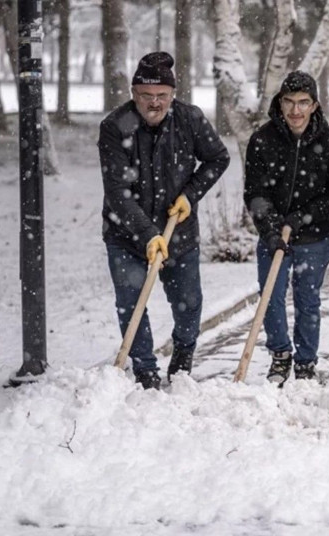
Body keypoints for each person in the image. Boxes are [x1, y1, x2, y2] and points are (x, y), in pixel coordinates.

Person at [98, 51, 230, 389]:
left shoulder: (189, 119)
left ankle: (183, 359)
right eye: (146, 96)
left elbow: (218, 158)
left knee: (188, 305)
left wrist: (190, 194)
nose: (154, 103)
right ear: (133, 94)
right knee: (131, 304)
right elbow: (117, 190)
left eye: (162, 96)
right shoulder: (116, 127)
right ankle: (145, 371)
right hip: (126, 236)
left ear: (172, 95)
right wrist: (145, 233)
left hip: (179, 233)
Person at [244, 71, 329, 385]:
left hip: (314, 237)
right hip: (273, 235)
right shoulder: (262, 140)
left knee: (308, 299)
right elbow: (255, 193)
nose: (296, 111)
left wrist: (303, 217)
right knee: (270, 297)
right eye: (289, 102)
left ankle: (305, 361)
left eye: (303, 102)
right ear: (280, 103)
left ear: (315, 105)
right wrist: (272, 228)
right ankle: (280, 354)